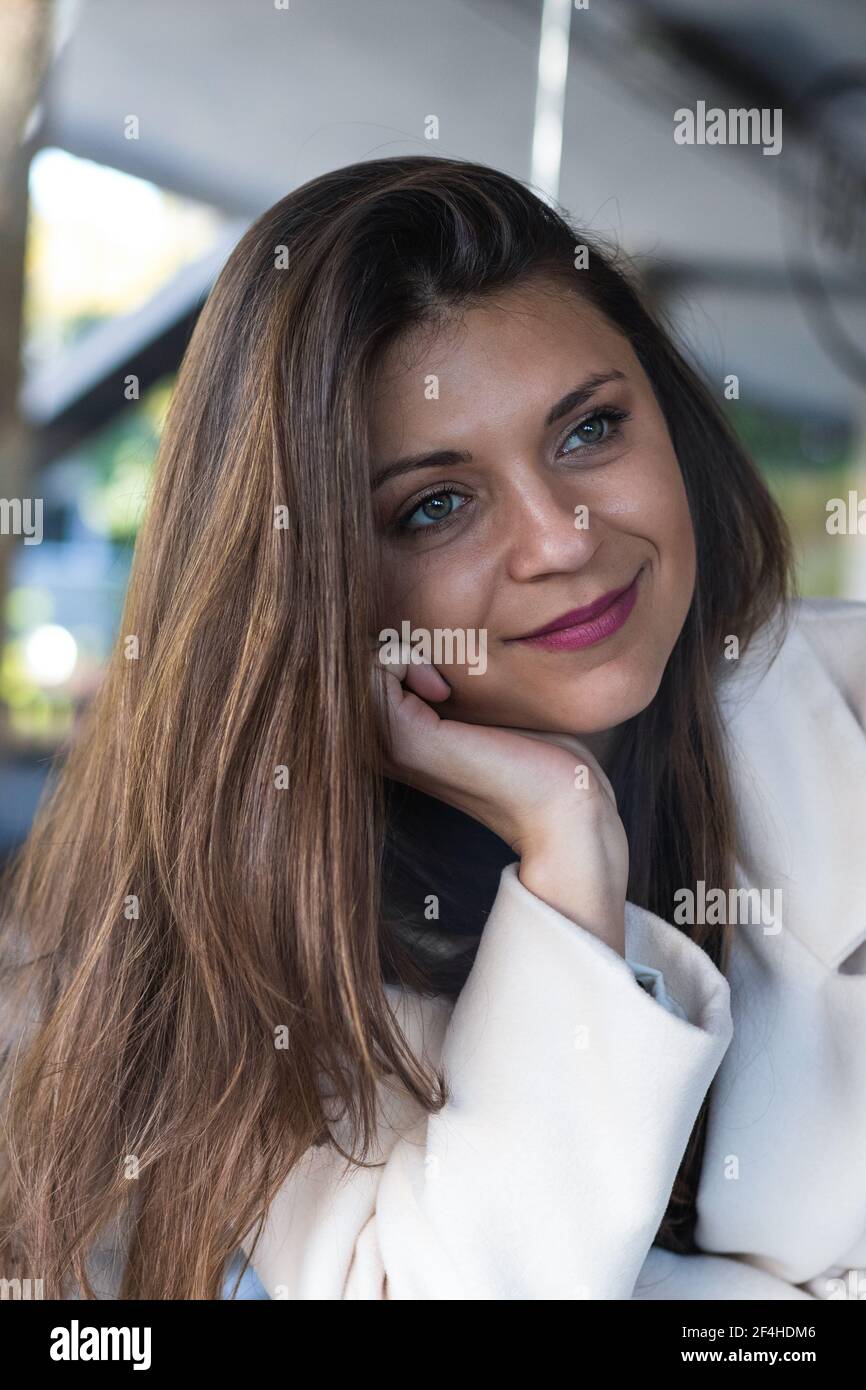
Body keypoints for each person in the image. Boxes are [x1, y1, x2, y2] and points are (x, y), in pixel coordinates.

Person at [1, 156, 864, 1301]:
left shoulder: (836, 708)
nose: (560, 537)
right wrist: (564, 841)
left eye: (589, 430)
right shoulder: (227, 969)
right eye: (435, 505)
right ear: (316, 585)